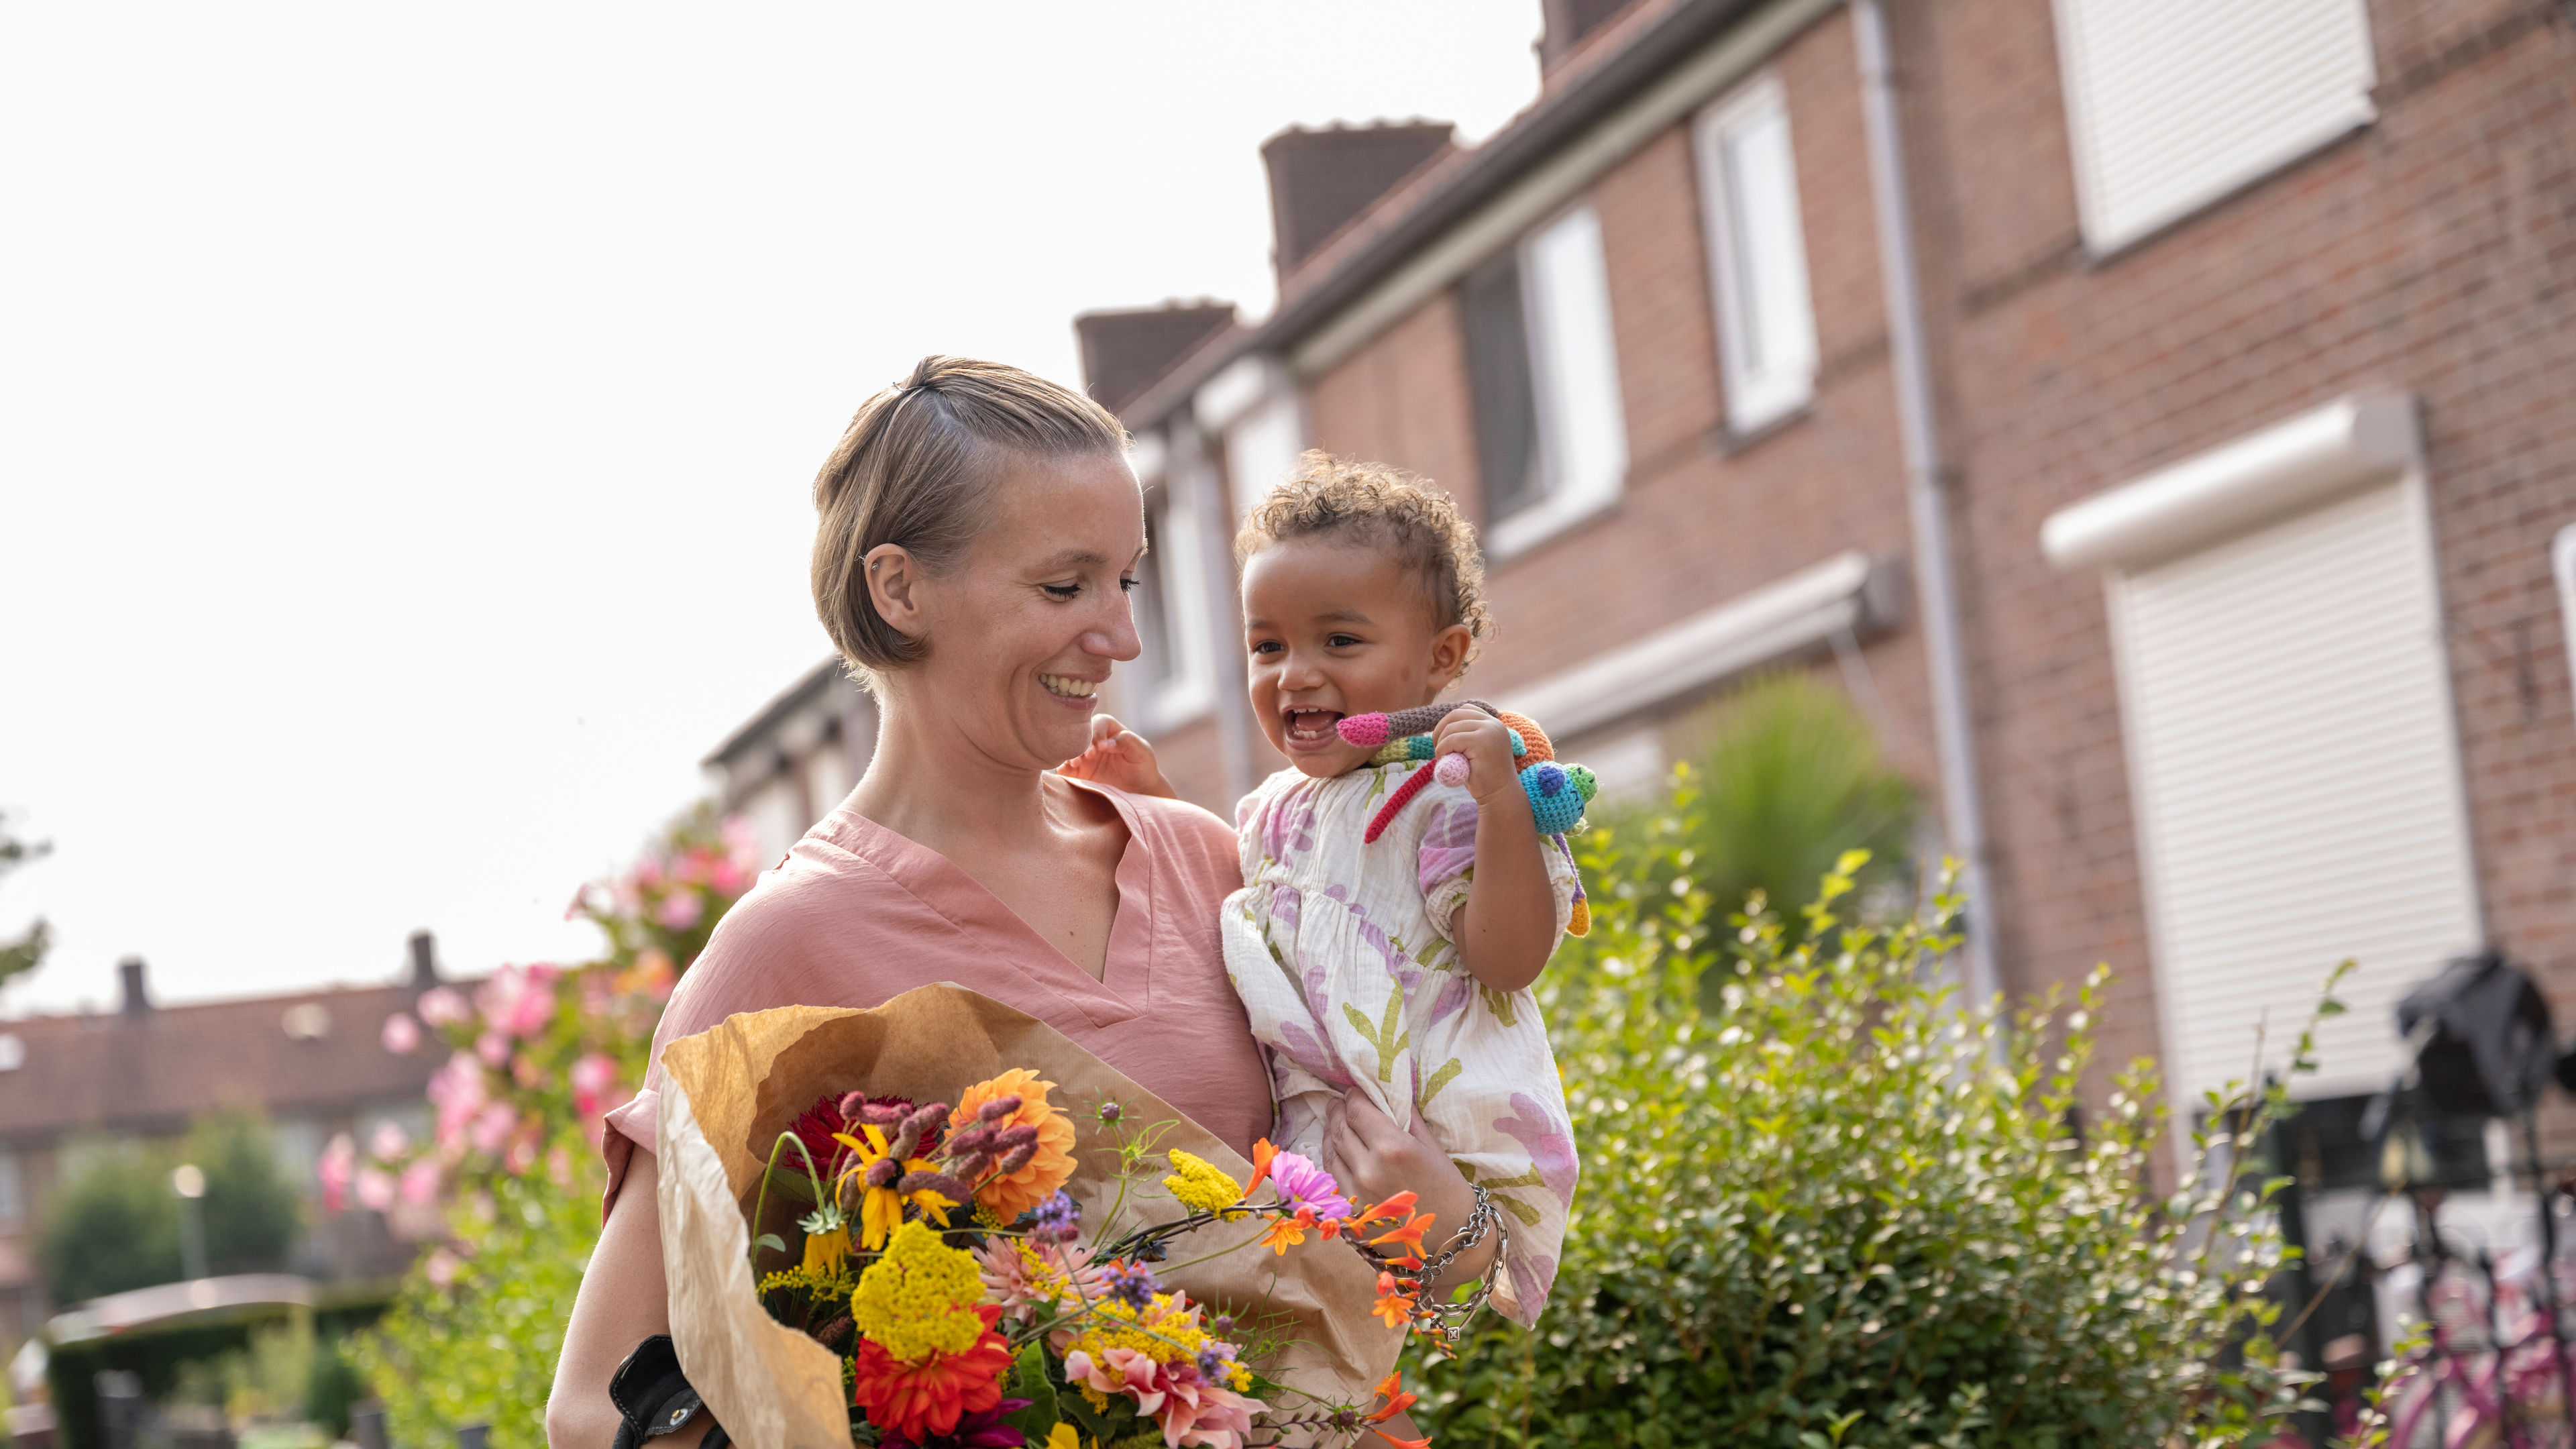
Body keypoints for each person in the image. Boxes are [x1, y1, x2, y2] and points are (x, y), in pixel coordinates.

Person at [543, 359, 1483, 1449]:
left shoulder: (1208, 865)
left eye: (1124, 583)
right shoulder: (787, 948)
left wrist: (1452, 1234)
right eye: (1063, 587)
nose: (1121, 637)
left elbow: (1380, 1261)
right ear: (899, 589)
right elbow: (589, 1406)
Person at [1100, 455, 1582, 1326]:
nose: (1295, 674)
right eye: (1268, 646)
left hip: (1437, 1135)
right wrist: (1156, 797)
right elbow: (1241, 895)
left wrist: (1502, 803)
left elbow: (1510, 959)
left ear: (1443, 660)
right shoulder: (1274, 808)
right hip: (1324, 1146)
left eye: (1340, 642)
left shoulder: (1443, 799)